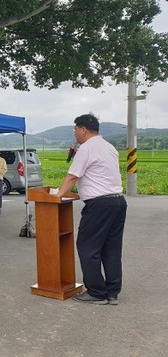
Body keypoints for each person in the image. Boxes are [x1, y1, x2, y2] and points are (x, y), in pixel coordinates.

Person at [56, 114, 127, 306]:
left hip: (99, 205)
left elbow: (72, 176)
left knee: (88, 247)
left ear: (83, 130)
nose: (75, 133)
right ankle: (112, 293)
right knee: (111, 249)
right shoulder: (109, 146)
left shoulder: (86, 148)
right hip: (118, 202)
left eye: (75, 130)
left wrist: (57, 195)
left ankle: (96, 292)